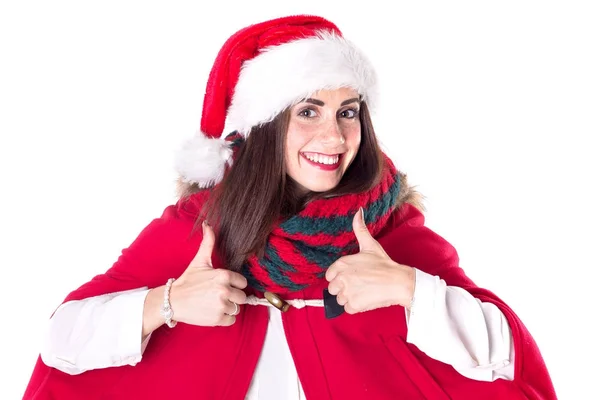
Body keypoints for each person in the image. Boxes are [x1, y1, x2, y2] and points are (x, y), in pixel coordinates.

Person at [23, 14, 557, 400]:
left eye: (348, 111)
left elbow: (506, 358)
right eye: (308, 111)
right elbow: (62, 341)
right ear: (260, 128)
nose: (335, 135)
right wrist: (165, 304)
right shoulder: (200, 230)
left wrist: (408, 290)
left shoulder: (388, 229)